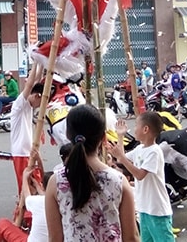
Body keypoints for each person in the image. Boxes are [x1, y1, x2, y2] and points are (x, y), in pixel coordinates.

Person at [45, 104, 139, 242]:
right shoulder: (118, 181)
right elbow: (131, 237)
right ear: (103, 138)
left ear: (67, 135)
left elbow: (54, 238)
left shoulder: (56, 182)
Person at [110, 112, 175, 242]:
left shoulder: (154, 151)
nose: (134, 129)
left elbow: (140, 175)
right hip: (144, 208)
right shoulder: (140, 148)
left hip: (157, 209)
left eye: (136, 126)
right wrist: (120, 136)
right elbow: (120, 158)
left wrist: (122, 158)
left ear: (145, 129)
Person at [10, 65, 44, 194]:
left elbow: (37, 82)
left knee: (36, 182)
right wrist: (35, 61)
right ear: (36, 96)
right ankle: (25, 210)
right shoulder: (20, 104)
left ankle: (31, 209)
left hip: (28, 151)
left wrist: (41, 63)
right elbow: (30, 85)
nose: (39, 106)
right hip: (21, 153)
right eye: (40, 102)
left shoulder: (29, 106)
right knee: (26, 185)